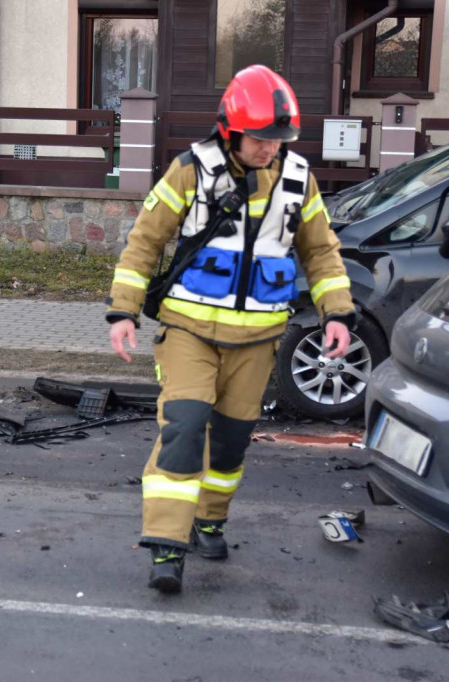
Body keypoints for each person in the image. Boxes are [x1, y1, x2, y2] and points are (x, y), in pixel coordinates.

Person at [105, 65, 357, 594]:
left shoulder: (298, 178)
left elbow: (321, 253)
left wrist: (337, 313)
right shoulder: (190, 171)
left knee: (231, 442)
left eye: (279, 139)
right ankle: (166, 549)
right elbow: (144, 242)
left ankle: (210, 521)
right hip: (189, 331)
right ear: (230, 129)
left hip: (258, 339)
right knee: (185, 427)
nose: (270, 148)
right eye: (261, 138)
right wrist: (124, 310)